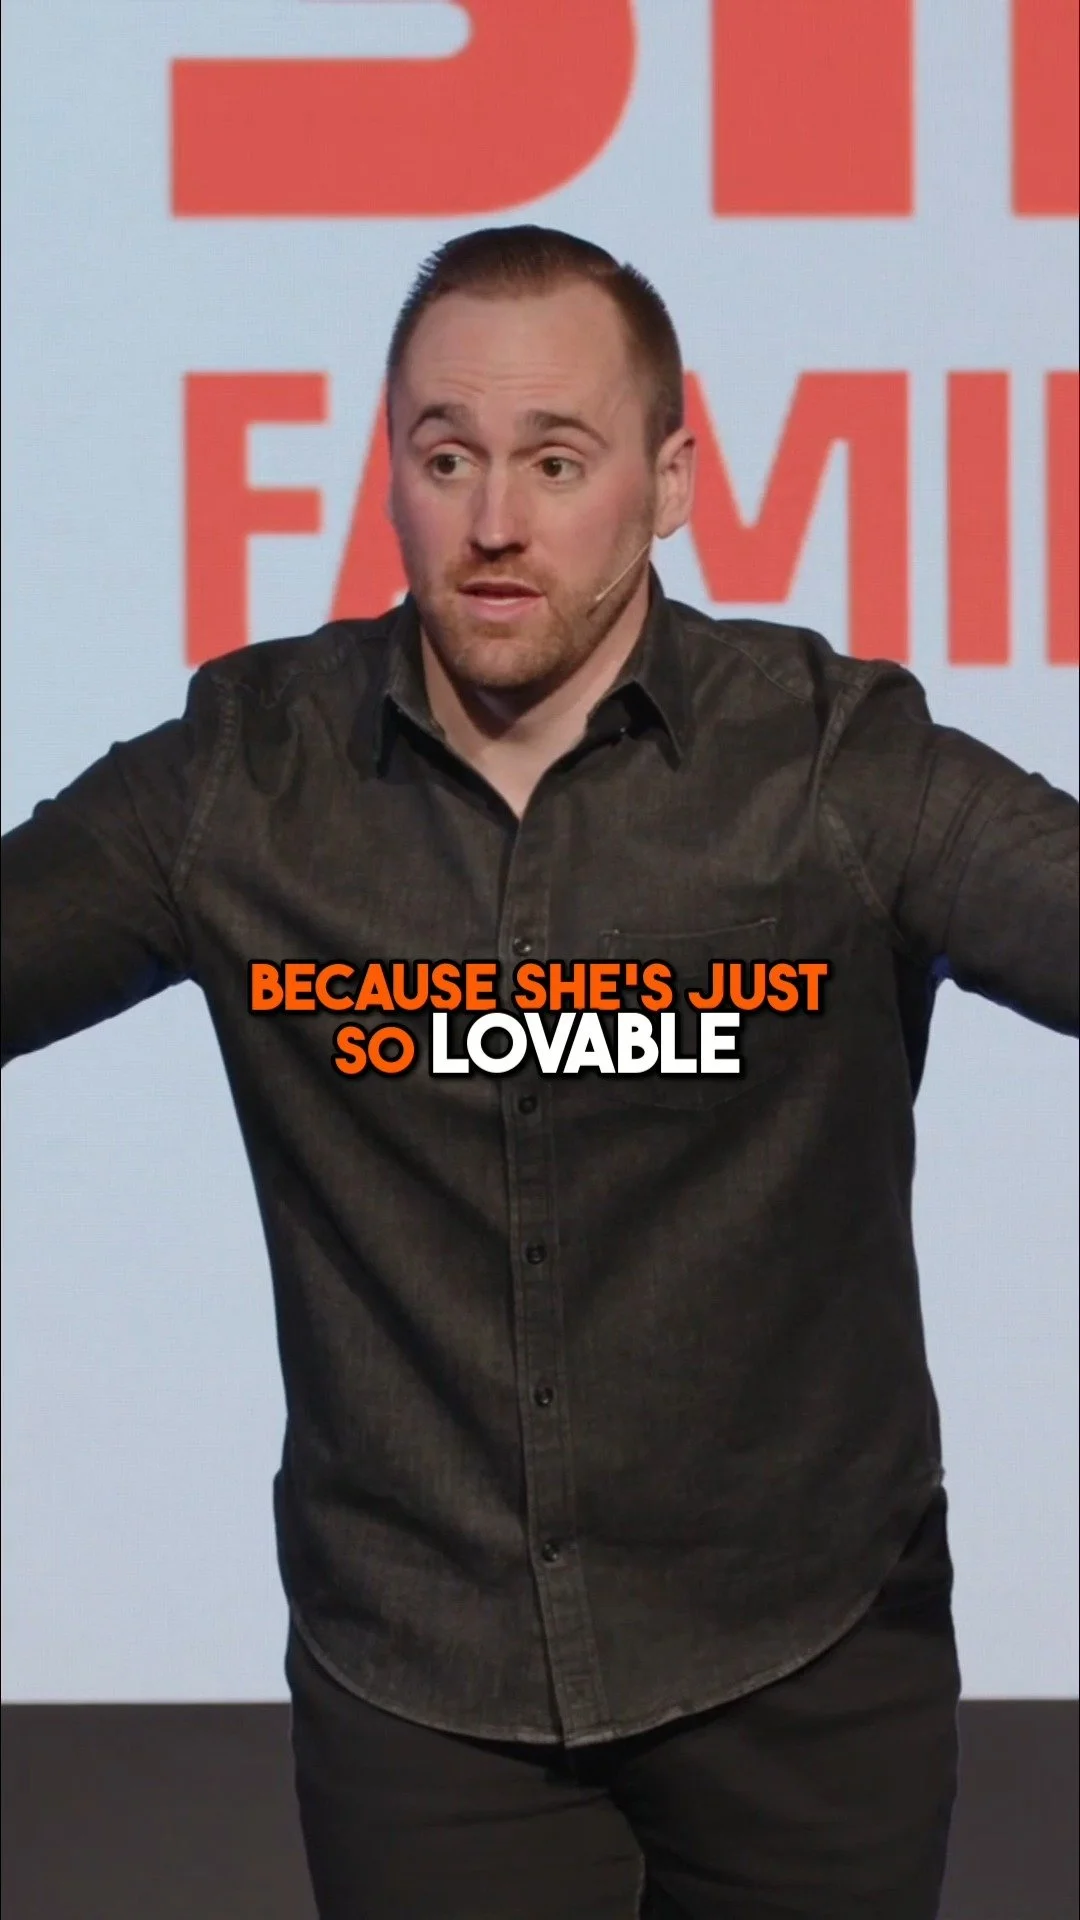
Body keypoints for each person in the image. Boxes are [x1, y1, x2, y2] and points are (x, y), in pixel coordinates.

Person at [2, 224, 1076, 1920]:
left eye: (557, 461)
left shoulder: (830, 767)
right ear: (393, 473)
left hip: (804, 1655)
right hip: (426, 1684)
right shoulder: (242, 783)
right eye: (449, 458)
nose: (495, 518)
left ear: (670, 481)